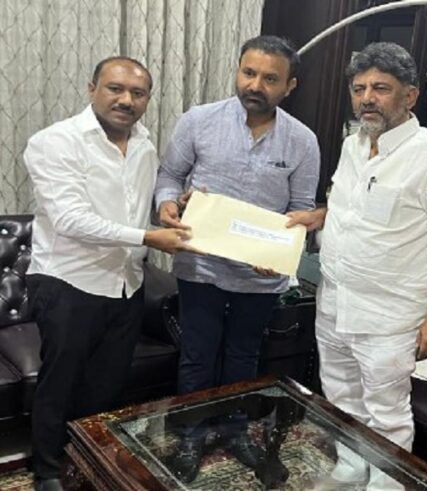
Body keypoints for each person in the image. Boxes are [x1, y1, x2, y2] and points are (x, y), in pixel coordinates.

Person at [287, 42, 427, 488]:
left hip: (390, 315)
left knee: (386, 413)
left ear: (410, 95)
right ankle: (351, 470)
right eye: (359, 89)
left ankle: (385, 485)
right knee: (340, 397)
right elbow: (355, 209)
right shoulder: (352, 144)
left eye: (380, 88)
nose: (367, 98)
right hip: (335, 300)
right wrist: (321, 216)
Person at [24, 56, 196, 491]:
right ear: (92, 89)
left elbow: (137, 208)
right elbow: (69, 219)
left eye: (138, 93)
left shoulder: (144, 145)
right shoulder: (55, 142)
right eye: (115, 89)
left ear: (147, 100)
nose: (126, 100)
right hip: (68, 281)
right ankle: (47, 470)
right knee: (60, 383)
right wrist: (148, 237)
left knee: (107, 385)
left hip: (126, 283)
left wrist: (177, 208)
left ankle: (90, 458)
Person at [154, 35, 320, 482]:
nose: (255, 85)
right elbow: (169, 176)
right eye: (249, 73)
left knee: (244, 356)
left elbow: (301, 210)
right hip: (200, 266)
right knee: (197, 356)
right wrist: (167, 205)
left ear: (290, 86)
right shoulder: (199, 120)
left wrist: (280, 254)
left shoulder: (303, 141)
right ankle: (191, 435)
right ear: (238, 71)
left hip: (258, 276)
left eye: (270, 79)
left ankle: (235, 431)